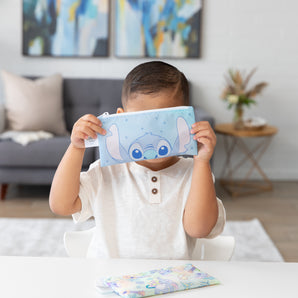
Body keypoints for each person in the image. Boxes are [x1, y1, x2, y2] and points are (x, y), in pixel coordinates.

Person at [49, 61, 225, 259]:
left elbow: (199, 229)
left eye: (162, 122)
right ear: (121, 119)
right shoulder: (106, 171)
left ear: (185, 118)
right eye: (141, 121)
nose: (153, 136)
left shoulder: (195, 174)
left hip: (170, 282)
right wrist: (76, 148)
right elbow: (60, 205)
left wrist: (202, 162)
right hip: (110, 279)